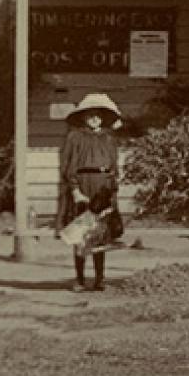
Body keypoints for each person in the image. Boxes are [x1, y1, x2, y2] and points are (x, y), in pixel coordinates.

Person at [56, 93, 121, 292]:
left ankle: (100, 279)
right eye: (91, 115)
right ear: (84, 117)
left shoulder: (109, 138)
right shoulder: (75, 137)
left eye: (98, 116)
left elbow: (114, 165)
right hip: (83, 184)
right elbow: (67, 166)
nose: (95, 119)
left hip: (103, 186)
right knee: (81, 233)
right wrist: (75, 189)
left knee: (100, 233)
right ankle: (80, 279)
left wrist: (112, 188)